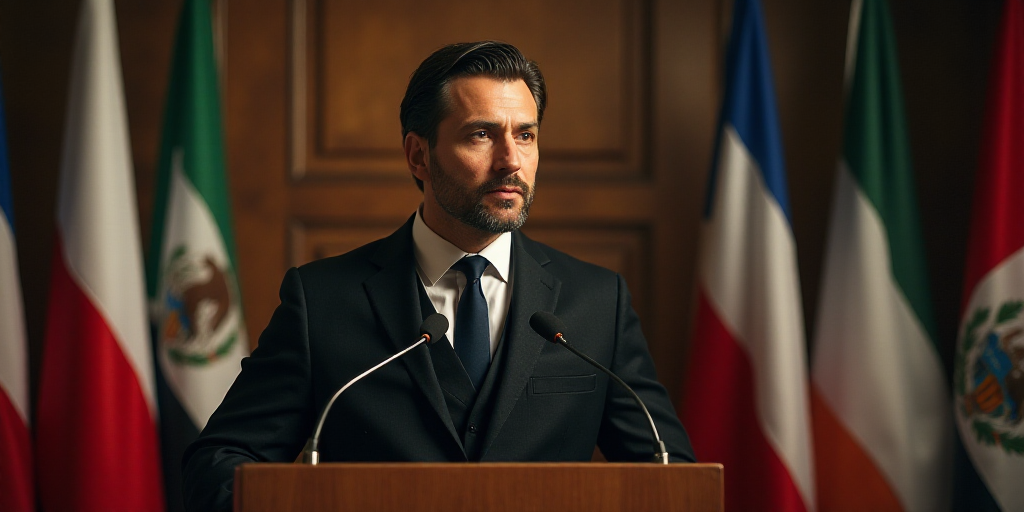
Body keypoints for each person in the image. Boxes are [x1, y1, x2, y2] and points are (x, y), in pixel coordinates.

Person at [182, 41, 695, 512]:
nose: (511, 161)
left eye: (526, 135)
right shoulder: (321, 300)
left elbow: (671, 476)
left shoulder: (597, 300)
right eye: (481, 135)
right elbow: (220, 463)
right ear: (418, 155)